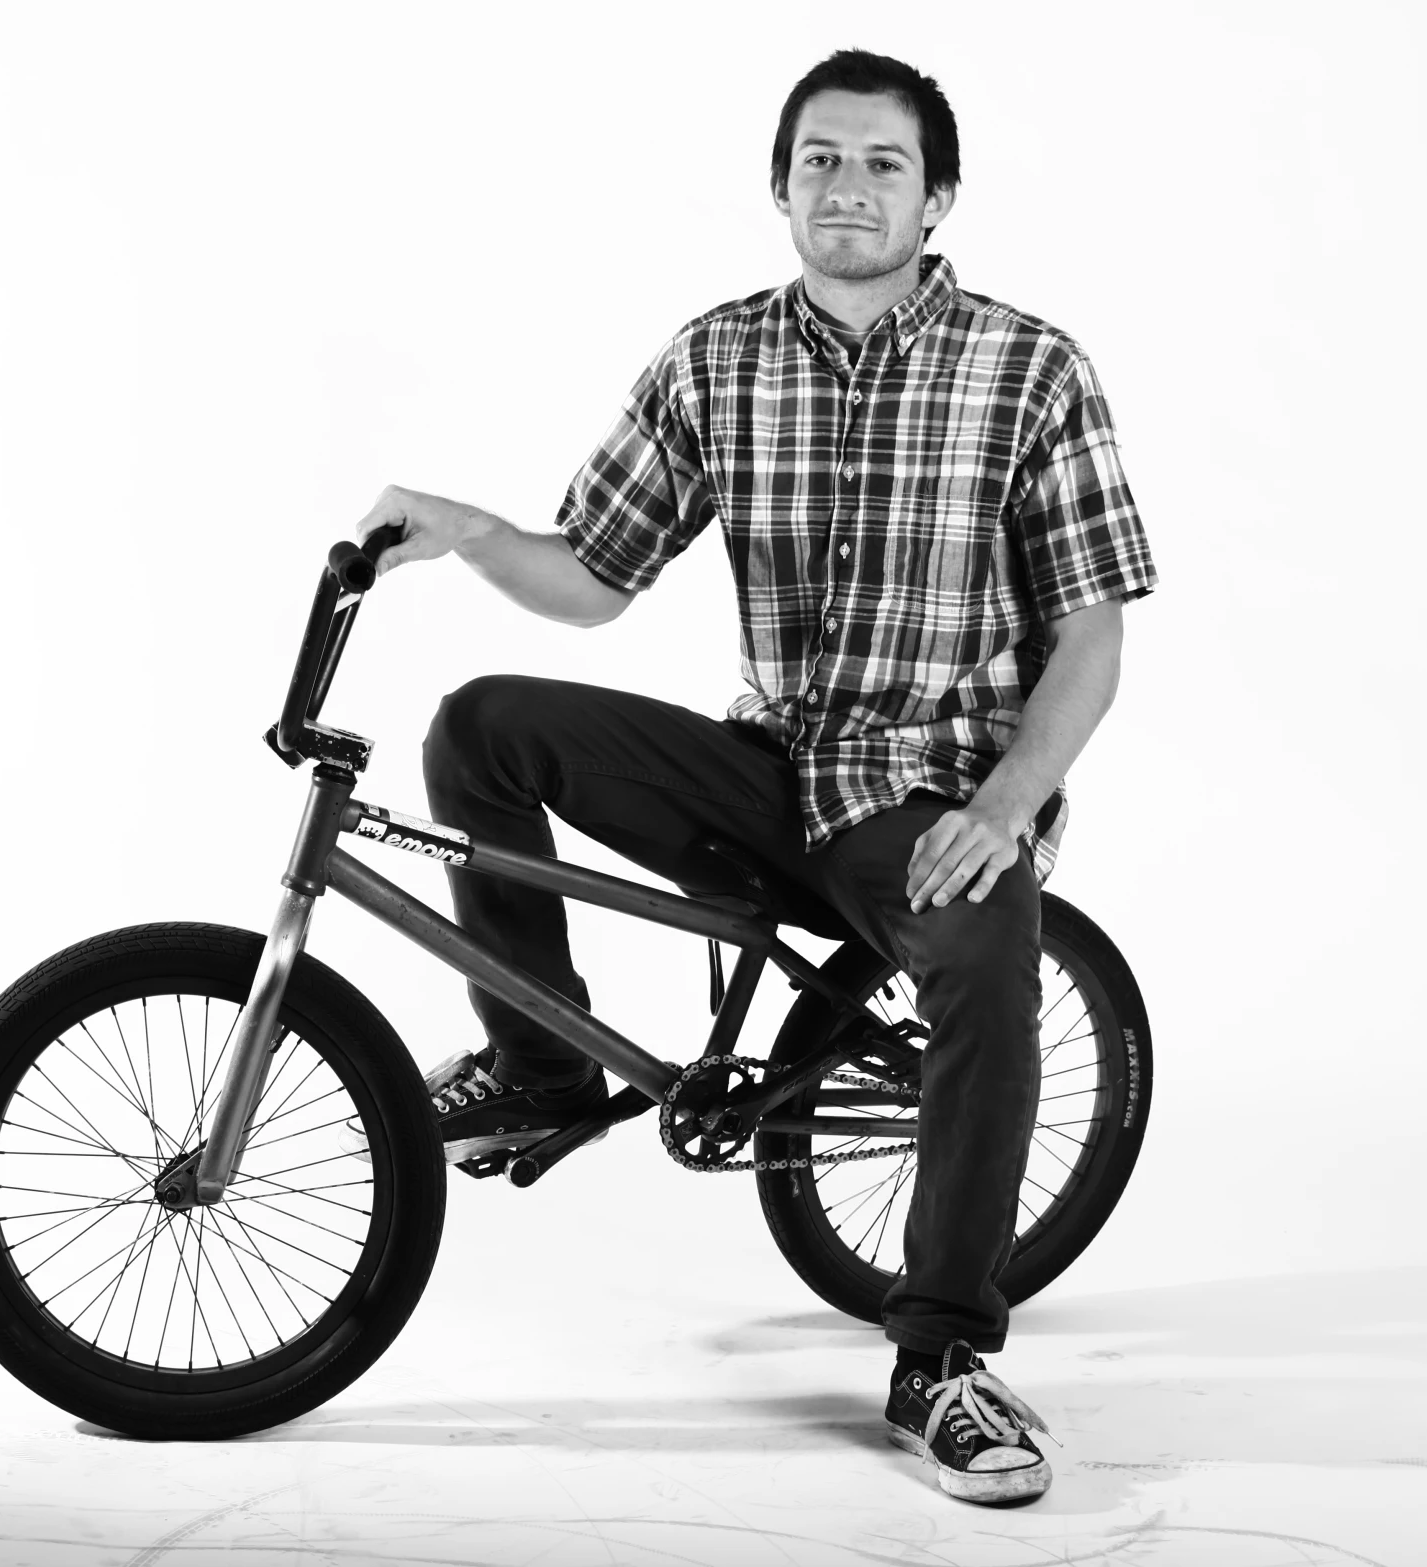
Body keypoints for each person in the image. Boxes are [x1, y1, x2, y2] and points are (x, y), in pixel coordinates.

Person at [354, 48, 1156, 1506]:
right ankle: (539, 1062)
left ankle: (945, 1360)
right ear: (781, 183)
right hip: (770, 763)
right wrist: (469, 528)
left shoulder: (1028, 367)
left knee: (987, 952)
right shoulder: (717, 359)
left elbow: (1090, 635)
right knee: (482, 724)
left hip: (927, 786)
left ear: (939, 196)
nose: (847, 187)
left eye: (882, 163)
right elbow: (591, 577)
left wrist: (998, 809)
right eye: (822, 160)